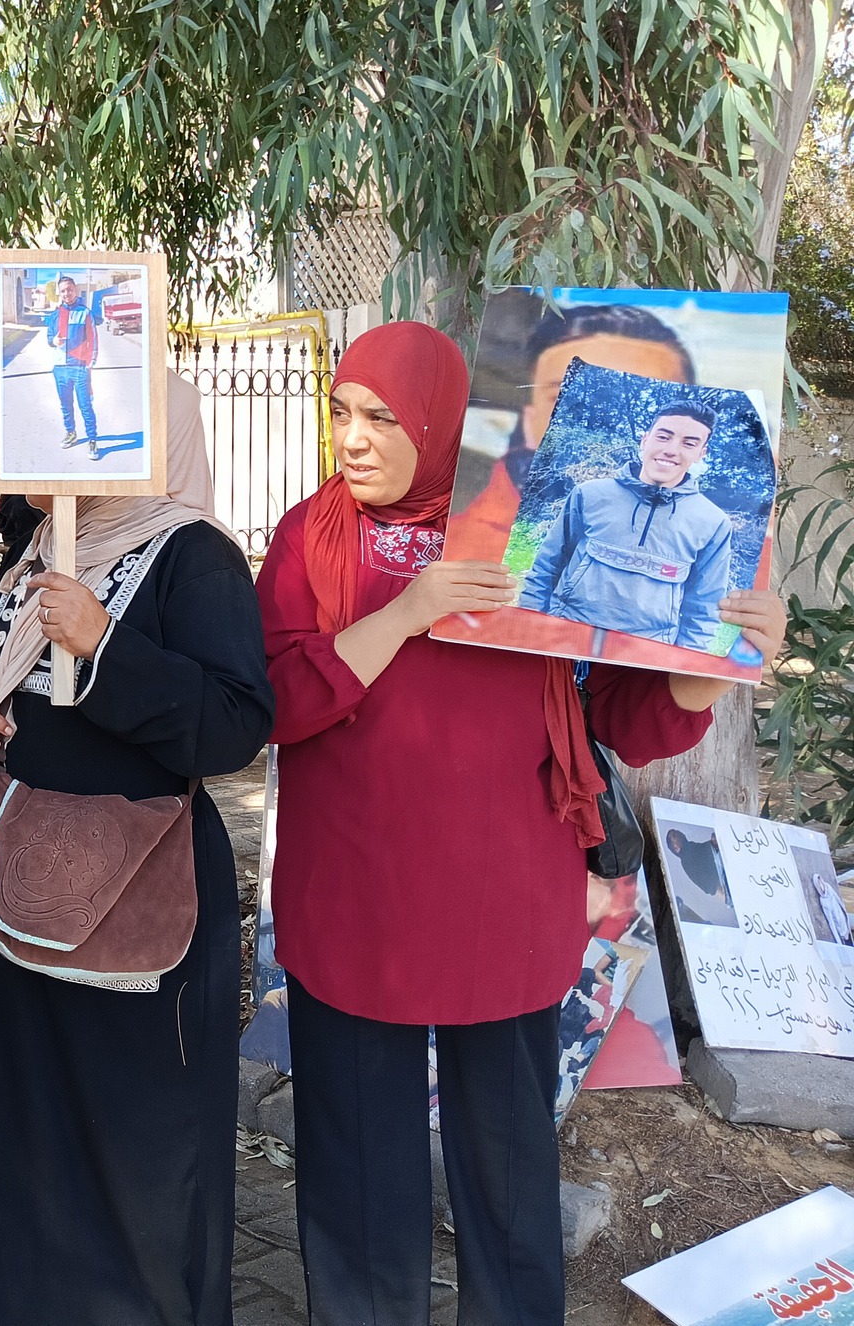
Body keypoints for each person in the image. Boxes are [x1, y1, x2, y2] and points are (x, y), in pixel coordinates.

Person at [257, 321, 785, 1324]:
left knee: (505, 1166)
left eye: (382, 418)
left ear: (438, 422)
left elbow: (619, 715)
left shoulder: (525, 530)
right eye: (341, 412)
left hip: (500, 897)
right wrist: (404, 613)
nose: (353, 438)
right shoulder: (310, 539)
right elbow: (274, 701)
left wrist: (714, 661)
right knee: (357, 1160)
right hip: (354, 895)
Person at [0, 372, 274, 1326]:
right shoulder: (39, 549)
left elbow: (234, 725)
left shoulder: (194, 555)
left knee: (133, 1155)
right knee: (15, 1135)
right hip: (13, 884)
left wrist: (105, 645)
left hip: (138, 898)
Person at [447, 302, 695, 560]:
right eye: (571, 400)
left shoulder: (711, 552)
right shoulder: (463, 554)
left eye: (642, 402)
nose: (600, 425)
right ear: (530, 421)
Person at [519, 402, 734, 649]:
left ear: (701, 454)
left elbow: (704, 607)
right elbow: (546, 568)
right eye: (663, 437)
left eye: (689, 443)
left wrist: (681, 662)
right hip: (563, 637)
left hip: (646, 654)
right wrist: (528, 626)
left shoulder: (713, 522)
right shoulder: (589, 494)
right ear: (645, 440)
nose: (671, 450)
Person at [45, 275, 105, 454]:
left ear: (75, 290)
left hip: (79, 367)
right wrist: (54, 341)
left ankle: (92, 439)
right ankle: (71, 433)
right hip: (60, 368)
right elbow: (49, 338)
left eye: (69, 289)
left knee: (85, 406)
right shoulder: (55, 315)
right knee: (66, 405)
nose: (67, 293)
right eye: (63, 291)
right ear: (59, 293)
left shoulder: (85, 312)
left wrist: (90, 363)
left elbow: (93, 339)